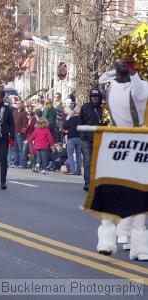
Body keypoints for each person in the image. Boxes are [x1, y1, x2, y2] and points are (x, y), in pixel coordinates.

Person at [95, 60, 148, 261]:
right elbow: (103, 78)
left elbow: (141, 95)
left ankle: (139, 245)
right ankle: (107, 239)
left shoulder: (142, 86)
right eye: (122, 62)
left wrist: (134, 74)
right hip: (117, 141)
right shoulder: (110, 85)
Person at [79, 89, 104, 191]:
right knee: (88, 161)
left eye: (96, 96)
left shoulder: (103, 108)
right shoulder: (85, 107)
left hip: (99, 139)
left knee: (98, 162)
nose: (94, 98)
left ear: (99, 97)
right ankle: (88, 183)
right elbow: (80, 121)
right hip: (86, 139)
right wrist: (82, 136)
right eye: (92, 96)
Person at [64, 107, 82, 175]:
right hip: (80, 138)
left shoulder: (71, 119)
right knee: (78, 154)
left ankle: (73, 170)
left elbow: (65, 126)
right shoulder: (82, 119)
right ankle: (78, 171)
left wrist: (69, 117)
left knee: (70, 154)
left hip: (71, 138)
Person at [12, 99, 28, 168]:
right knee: (15, 149)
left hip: (20, 133)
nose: (18, 104)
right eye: (17, 103)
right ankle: (16, 163)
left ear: (22, 104)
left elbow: (25, 124)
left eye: (19, 103)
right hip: (14, 132)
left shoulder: (24, 113)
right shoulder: (14, 112)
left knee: (21, 149)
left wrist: (22, 131)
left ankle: (22, 164)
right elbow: (12, 122)